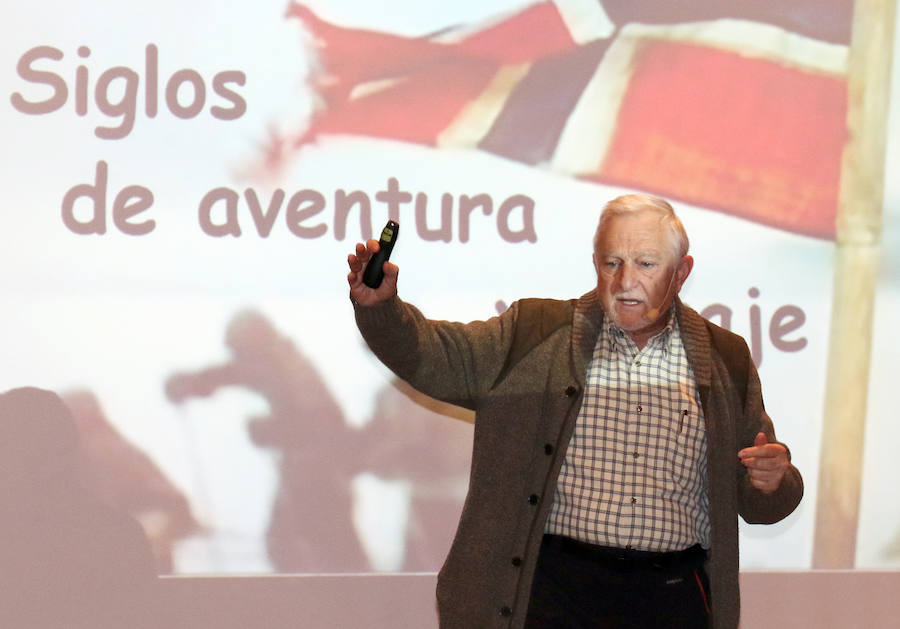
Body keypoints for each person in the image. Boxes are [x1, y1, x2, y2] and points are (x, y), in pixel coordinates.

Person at [347, 193, 803, 629]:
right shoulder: (533, 334)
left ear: (681, 272)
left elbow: (763, 495)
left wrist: (771, 481)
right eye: (612, 263)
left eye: (646, 264)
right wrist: (382, 309)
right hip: (554, 593)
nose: (625, 281)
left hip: (673, 598)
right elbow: (433, 355)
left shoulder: (725, 358)